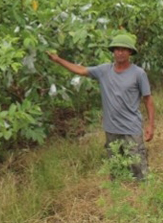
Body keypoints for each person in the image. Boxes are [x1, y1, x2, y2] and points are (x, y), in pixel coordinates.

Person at [47, 33, 155, 180]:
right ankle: (120, 196)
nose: (119, 52)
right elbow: (80, 70)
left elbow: (148, 100)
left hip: (131, 128)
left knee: (138, 167)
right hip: (111, 129)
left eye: (123, 49)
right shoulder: (104, 71)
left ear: (130, 52)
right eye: (116, 49)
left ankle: (144, 195)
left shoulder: (138, 74)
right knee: (116, 167)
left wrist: (151, 125)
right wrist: (58, 60)